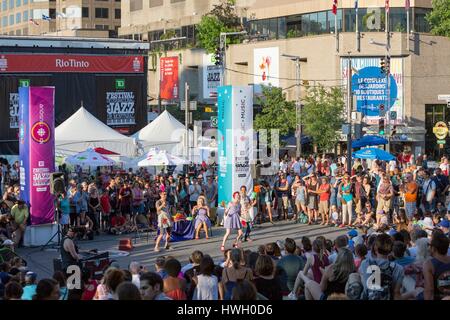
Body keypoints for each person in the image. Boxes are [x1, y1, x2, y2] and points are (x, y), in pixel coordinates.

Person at [359, 233, 404, 300]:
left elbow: (364, 285)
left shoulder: (365, 263)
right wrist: (412, 293)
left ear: (375, 247)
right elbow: (396, 294)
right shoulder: (398, 268)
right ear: (391, 250)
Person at [423, 231, 450, 300]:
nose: (428, 248)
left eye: (429, 245)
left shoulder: (428, 265)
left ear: (434, 248)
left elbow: (429, 290)